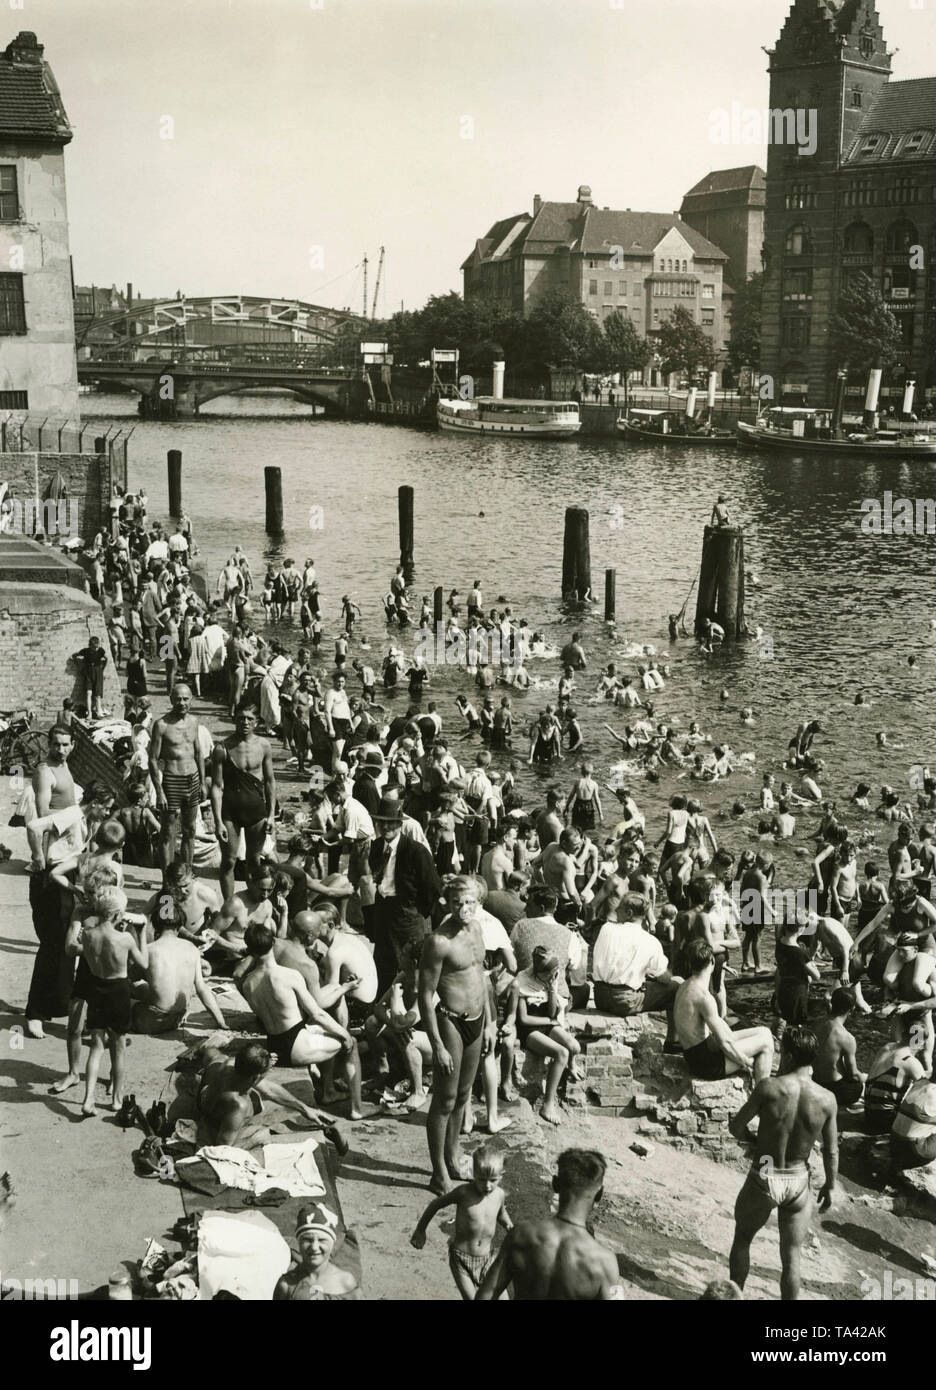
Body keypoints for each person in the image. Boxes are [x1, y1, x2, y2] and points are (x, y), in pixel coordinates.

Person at [728, 1026, 838, 1302]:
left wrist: (754, 1141)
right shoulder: (827, 1099)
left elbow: (736, 1127)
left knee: (742, 1239)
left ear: (787, 1054)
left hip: (766, 1169)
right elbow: (831, 1150)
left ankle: (735, 1297)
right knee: (792, 1256)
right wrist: (831, 1185)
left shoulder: (769, 1088)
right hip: (798, 1178)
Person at [419, 876, 493, 1193]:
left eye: (469, 902)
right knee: (445, 1099)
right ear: (447, 904)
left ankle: (452, 1155)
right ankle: (438, 1173)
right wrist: (437, 1045)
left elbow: (481, 978)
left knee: (464, 1096)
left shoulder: (477, 929)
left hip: (476, 1019)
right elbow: (424, 994)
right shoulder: (439, 942)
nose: (463, 909)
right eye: (457, 903)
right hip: (450, 1021)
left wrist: (490, 1022)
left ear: (478, 903)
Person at [476, 1149, 623, 1301]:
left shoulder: (520, 1235)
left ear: (555, 1184)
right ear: (599, 1195)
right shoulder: (605, 1263)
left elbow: (485, 1296)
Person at [63, 886, 148, 1118]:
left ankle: (88, 1099)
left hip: (96, 989)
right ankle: (116, 1100)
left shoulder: (89, 935)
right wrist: (142, 932)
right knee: (118, 1048)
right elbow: (144, 964)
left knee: (96, 1047)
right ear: (118, 914)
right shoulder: (125, 938)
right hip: (118, 991)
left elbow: (82, 952)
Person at [237, 922, 354, 1078]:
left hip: (273, 1047)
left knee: (319, 1031)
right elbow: (317, 1014)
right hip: (298, 1047)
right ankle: (346, 1097)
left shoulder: (247, 984)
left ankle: (320, 1077)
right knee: (347, 1040)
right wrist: (345, 1035)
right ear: (273, 942)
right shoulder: (289, 975)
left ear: (251, 950)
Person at [25, 724, 78, 1039]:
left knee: (67, 939)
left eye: (66, 744)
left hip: (67, 860)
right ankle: (35, 1012)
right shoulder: (46, 772)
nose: (61, 749)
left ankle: (59, 1003)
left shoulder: (66, 766)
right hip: (49, 864)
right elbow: (43, 817)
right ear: (49, 743)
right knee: (51, 943)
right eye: (56, 744)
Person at [410, 1144, 513, 1300]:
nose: (487, 1185)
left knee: (503, 1298)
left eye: (493, 1180)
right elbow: (436, 1204)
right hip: (462, 1259)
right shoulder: (464, 1193)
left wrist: (509, 1226)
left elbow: (501, 1213)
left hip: (487, 1259)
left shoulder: (499, 1195)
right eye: (481, 1179)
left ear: (501, 1176)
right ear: (473, 1173)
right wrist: (420, 1230)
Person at [369, 793, 441, 993]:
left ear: (400, 824)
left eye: (391, 823)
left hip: (407, 915)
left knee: (410, 965)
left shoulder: (416, 851)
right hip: (384, 911)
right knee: (383, 962)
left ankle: (410, 1010)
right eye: (382, 823)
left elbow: (433, 888)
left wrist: (415, 912)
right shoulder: (376, 847)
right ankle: (382, 1002)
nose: (386, 827)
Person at [674, 939, 774, 1081]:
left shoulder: (685, 986)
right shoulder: (703, 997)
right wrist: (747, 1062)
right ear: (712, 962)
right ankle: (762, 1095)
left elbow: (723, 1032)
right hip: (707, 1065)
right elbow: (725, 1043)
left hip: (696, 1054)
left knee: (765, 1031)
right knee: (766, 1043)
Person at [131, 895, 228, 1035]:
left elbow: (132, 977)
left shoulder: (151, 950)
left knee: (129, 989)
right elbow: (202, 989)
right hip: (177, 1018)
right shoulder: (191, 948)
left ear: (155, 926)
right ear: (180, 925)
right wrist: (221, 1022)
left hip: (151, 1021)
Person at [592, 890, 680, 1042]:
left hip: (600, 996)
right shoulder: (650, 941)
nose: (616, 911)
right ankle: (673, 1040)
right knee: (676, 987)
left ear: (629, 913)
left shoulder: (606, 928)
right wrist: (675, 979)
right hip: (623, 1002)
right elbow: (663, 978)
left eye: (619, 908)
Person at [210, 702, 275, 903]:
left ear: (256, 722)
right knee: (229, 860)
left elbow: (270, 781)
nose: (245, 722)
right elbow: (217, 787)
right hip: (231, 810)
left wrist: (272, 815)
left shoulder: (264, 745)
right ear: (234, 719)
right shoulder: (222, 747)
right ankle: (229, 904)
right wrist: (218, 820)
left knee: (255, 860)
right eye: (241, 718)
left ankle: (254, 902)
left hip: (256, 809)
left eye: (249, 718)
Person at [511, 946, 583, 1125]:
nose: (554, 975)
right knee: (562, 1053)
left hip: (546, 1022)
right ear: (540, 971)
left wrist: (552, 988)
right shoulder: (523, 980)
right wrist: (549, 1022)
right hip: (530, 1029)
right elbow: (524, 1019)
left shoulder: (550, 980)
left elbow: (552, 1014)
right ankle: (548, 1105)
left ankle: (571, 1066)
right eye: (551, 973)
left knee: (574, 1047)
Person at [148, 683, 205, 870]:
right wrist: (159, 791)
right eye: (178, 699)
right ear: (171, 699)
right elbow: (153, 760)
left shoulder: (195, 722)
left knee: (190, 830)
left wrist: (203, 783)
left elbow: (198, 754)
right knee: (168, 833)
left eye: (185, 699)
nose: (182, 702)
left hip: (193, 779)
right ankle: (167, 878)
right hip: (172, 781)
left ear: (192, 700)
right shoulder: (161, 725)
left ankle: (187, 873)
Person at [274, 1204, 359, 1300]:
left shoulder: (346, 1283)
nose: (314, 1247)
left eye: (322, 1240)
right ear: (299, 1243)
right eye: (308, 1239)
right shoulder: (286, 1285)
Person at [864, 1014, 927, 1133]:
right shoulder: (910, 1061)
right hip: (886, 1121)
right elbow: (928, 1094)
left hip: (869, 1117)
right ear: (921, 1043)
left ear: (904, 1034)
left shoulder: (887, 1047)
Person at [812, 989, 864, 1107]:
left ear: (832, 1003)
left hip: (816, 1081)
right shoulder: (847, 1038)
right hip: (834, 1089)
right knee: (859, 1085)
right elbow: (854, 1075)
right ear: (852, 1009)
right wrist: (869, 1078)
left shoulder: (816, 1023)